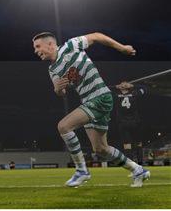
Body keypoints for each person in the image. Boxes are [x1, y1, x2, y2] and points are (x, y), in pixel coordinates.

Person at [32, 32, 150, 187]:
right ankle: (138, 170)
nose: (36, 51)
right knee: (101, 149)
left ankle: (81, 171)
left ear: (50, 44)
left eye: (38, 46)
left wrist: (122, 48)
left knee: (64, 126)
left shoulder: (70, 46)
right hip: (89, 101)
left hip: (100, 97)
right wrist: (58, 89)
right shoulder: (52, 69)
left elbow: (96, 36)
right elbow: (61, 92)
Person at [114, 81, 146, 165]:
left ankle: (134, 168)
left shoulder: (115, 95)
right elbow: (144, 89)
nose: (123, 84)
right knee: (138, 144)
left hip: (124, 123)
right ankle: (140, 165)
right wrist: (133, 85)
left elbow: (104, 89)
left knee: (127, 145)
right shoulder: (135, 93)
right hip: (135, 122)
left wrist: (115, 86)